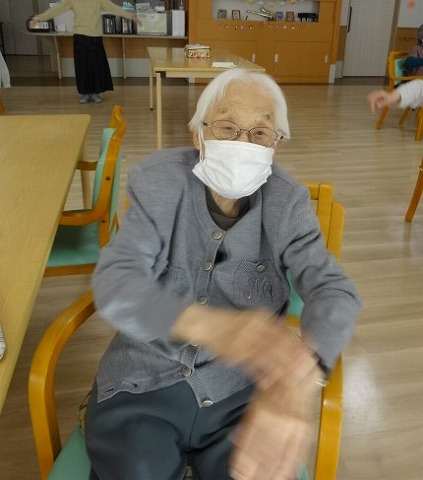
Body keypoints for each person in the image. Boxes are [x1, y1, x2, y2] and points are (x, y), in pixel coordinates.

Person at [85, 68, 361, 480]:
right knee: (137, 468)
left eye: (260, 133)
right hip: (143, 380)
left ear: (275, 145)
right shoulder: (159, 182)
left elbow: (333, 289)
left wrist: (301, 378)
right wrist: (208, 325)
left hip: (239, 395)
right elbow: (116, 280)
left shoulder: (287, 202)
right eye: (227, 127)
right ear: (199, 135)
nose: (242, 143)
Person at [29, 0, 141, 104]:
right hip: (80, 36)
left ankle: (96, 93)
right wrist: (37, 19)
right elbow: (57, 9)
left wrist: (131, 16)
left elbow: (113, 7)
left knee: (96, 66)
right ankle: (85, 93)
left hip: (95, 37)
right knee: (82, 66)